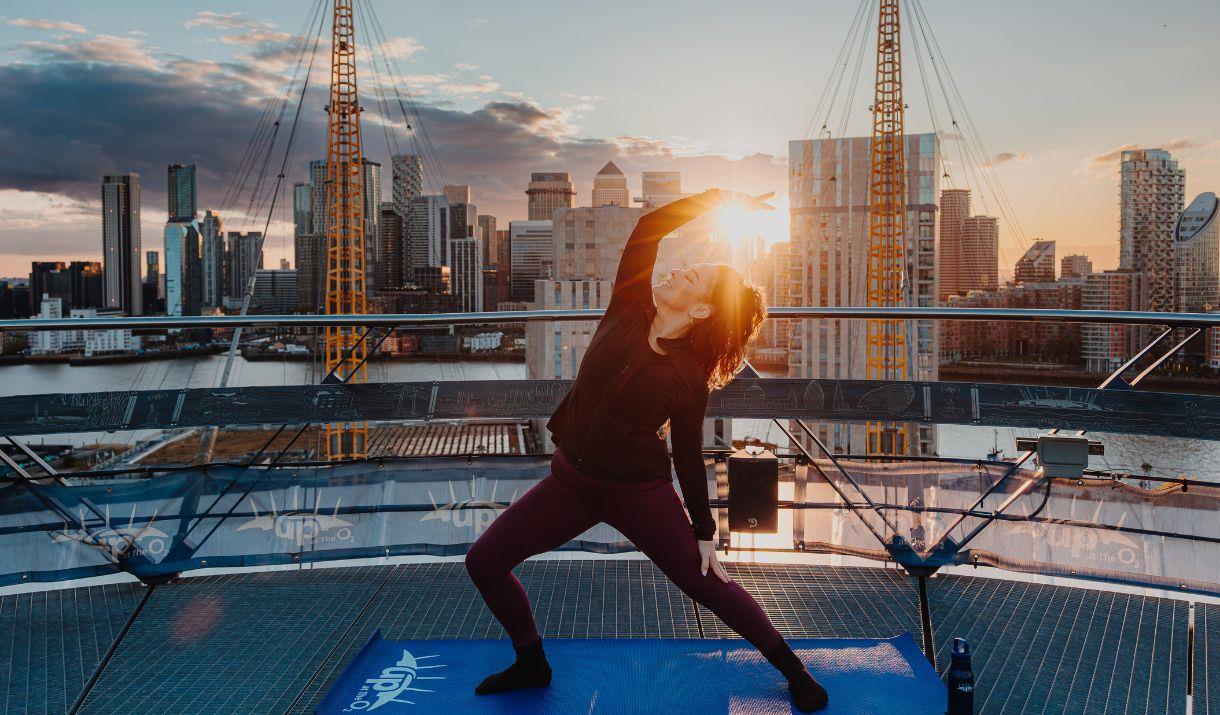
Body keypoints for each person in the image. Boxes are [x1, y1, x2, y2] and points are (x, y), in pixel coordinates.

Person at [463, 188, 828, 712]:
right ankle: (531, 661)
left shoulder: (688, 378)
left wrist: (704, 532)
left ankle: (794, 671)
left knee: (707, 584)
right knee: (484, 562)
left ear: (702, 308)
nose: (678, 272)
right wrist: (721, 199)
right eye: (686, 267)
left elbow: (686, 455)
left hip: (637, 492)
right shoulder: (628, 306)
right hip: (569, 483)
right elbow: (649, 230)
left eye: (693, 277)